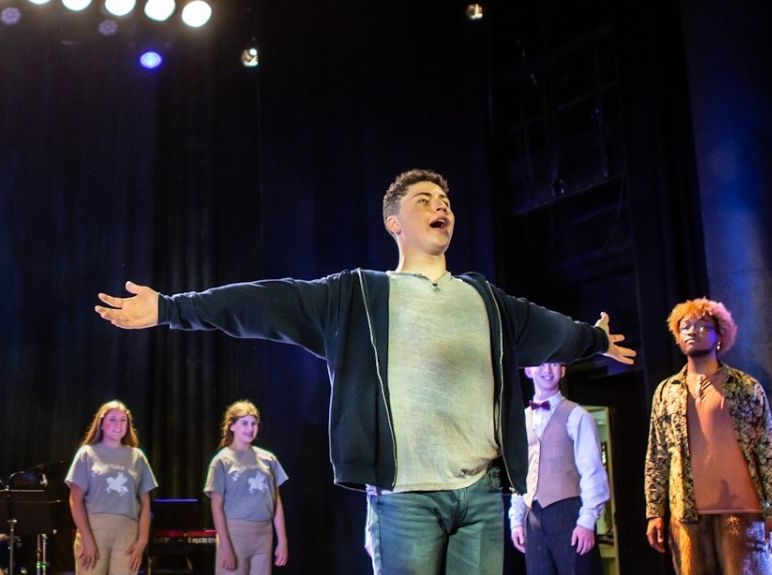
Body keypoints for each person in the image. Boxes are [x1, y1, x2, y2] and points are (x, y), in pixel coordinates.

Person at [93, 169, 636, 575]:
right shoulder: (357, 296)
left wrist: (593, 340)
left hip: (481, 493)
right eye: (424, 200)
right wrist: (172, 308)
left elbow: (550, 331)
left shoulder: (486, 299)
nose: (439, 205)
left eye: (445, 200)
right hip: (405, 499)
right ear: (394, 223)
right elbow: (265, 304)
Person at [643, 298, 772, 575]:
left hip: (745, 513)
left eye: (702, 325)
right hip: (687, 514)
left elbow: (768, 451)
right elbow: (657, 456)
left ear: (719, 335)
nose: (692, 331)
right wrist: (654, 512)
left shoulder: (746, 387)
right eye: (685, 326)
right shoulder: (666, 391)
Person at [506, 363, 609, 575]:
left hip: (568, 513)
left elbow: (593, 472)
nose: (547, 369)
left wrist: (587, 521)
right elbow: (519, 474)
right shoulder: (521, 420)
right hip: (532, 515)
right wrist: (516, 520)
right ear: (528, 370)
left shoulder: (577, 416)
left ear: (562, 371)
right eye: (541, 363)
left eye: (554, 363)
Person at [67, 401, 158, 575]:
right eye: (113, 419)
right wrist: (87, 539)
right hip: (94, 530)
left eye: (123, 420)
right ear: (101, 423)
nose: (118, 424)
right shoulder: (87, 453)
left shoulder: (137, 456)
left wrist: (142, 541)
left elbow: (145, 505)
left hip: (127, 532)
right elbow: (75, 500)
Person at [204, 401, 289, 575]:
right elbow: (216, 507)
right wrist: (226, 548)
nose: (250, 428)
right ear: (232, 426)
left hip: (264, 534)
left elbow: (277, 503)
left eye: (253, 424)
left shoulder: (268, 459)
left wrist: (283, 540)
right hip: (235, 534)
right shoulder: (222, 461)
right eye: (244, 423)